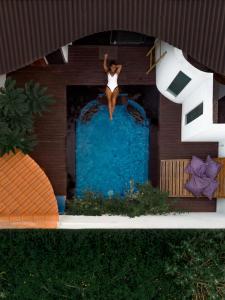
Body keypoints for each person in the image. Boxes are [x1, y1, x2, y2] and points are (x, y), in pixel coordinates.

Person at [103, 53, 122, 120]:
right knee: (109, 101)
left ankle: (111, 112)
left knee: (114, 101)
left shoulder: (117, 72)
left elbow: (120, 66)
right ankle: (111, 116)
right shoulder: (108, 72)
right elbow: (105, 66)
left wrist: (114, 66)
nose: (113, 68)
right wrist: (105, 58)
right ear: (110, 67)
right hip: (108, 87)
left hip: (115, 87)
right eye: (112, 67)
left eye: (114, 67)